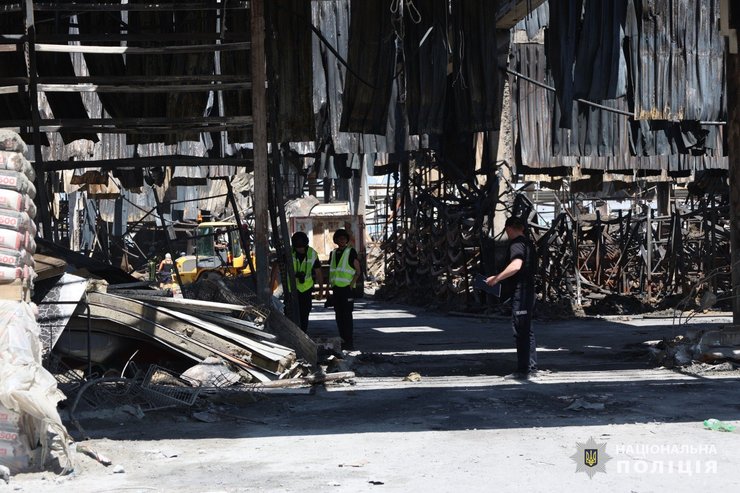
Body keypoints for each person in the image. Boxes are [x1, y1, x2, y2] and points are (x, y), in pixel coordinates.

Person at [486, 216, 538, 380]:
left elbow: (516, 265)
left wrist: (497, 279)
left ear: (509, 229)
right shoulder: (529, 244)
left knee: (521, 331)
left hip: (521, 293)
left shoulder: (516, 244)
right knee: (526, 330)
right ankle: (531, 367)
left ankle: (524, 370)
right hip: (528, 291)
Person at [329, 228, 362, 351]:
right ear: (336, 240)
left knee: (347, 317)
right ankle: (342, 341)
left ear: (347, 240)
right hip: (336, 289)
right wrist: (328, 288)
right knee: (339, 316)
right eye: (339, 239)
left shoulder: (350, 252)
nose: (342, 240)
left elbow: (358, 271)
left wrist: (351, 285)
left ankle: (349, 342)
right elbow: (331, 271)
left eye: (344, 238)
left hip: (347, 290)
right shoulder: (333, 253)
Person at [284, 231, 324, 332]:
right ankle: (292, 334)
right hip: (292, 289)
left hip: (306, 289)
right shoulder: (289, 252)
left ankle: (302, 334)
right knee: (290, 314)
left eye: (302, 247)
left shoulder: (312, 253)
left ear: (306, 244)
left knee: (304, 314)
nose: (300, 249)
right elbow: (277, 266)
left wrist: (321, 289)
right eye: (298, 247)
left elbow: (318, 272)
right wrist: (271, 285)